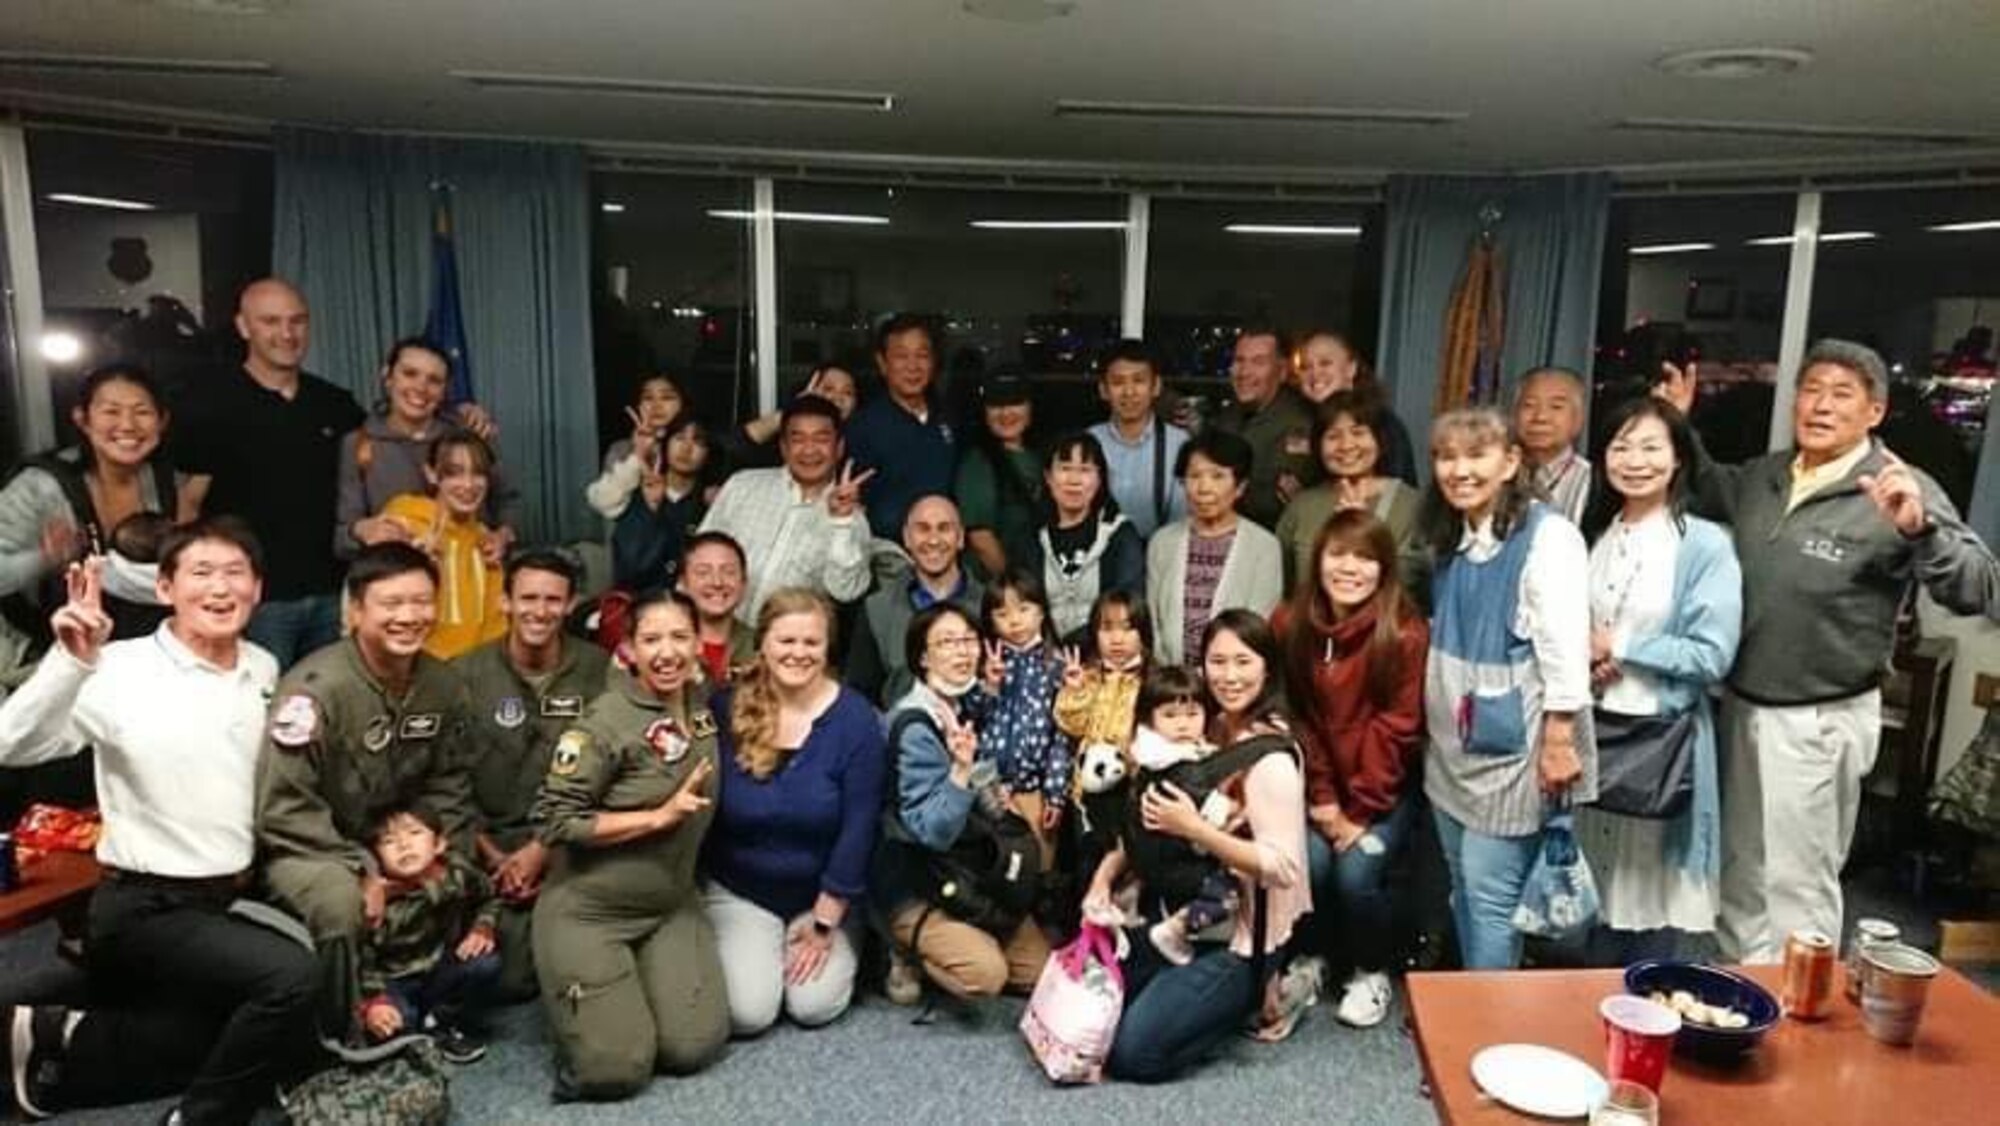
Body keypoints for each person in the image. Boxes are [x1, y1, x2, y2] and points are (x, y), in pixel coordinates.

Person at [1656, 339, 2000, 961]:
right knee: (1739, 866)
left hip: (1818, 716)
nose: (1820, 405)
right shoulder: (1768, 475)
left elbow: (1978, 586)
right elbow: (1708, 487)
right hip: (1741, 703)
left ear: (1875, 411)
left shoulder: (1898, 485)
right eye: (1810, 390)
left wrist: (1920, 531)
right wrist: (1678, 427)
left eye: (1842, 394)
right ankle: (1743, 996)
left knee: (1797, 883)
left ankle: (1797, 1023)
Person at [0, 519, 318, 1126]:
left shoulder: (262, 666)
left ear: (257, 588)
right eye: (201, 573)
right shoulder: (118, 668)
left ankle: (58, 1040)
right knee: (290, 981)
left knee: (258, 1035)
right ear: (165, 588)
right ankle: (199, 1117)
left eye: (235, 573)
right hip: (144, 908)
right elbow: (11, 744)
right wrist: (70, 663)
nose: (220, 588)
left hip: (229, 900)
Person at [254, 542, 477, 1026]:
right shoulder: (314, 691)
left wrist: (445, 856)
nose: (409, 616)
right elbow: (283, 809)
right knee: (340, 906)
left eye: (421, 602)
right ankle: (345, 1031)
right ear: (355, 611)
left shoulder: (443, 686)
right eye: (391, 604)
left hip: (402, 836)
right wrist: (364, 867)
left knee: (466, 881)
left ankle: (431, 1002)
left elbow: (450, 784)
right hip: (315, 847)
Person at [1089, 610, 1309, 1081]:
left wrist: (1197, 829)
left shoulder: (1271, 758)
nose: (1229, 676)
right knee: (1099, 1014)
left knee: (1134, 1055)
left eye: (1244, 662)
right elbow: (1154, 820)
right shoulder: (1200, 728)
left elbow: (1282, 868)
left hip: (1240, 935)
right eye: (1218, 661)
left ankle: (1255, 996)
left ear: (1267, 667)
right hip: (1179, 910)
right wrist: (1103, 878)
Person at [530, 589, 728, 1099]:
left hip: (669, 904)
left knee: (692, 1047)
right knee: (617, 1071)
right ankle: (587, 1014)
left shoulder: (700, 707)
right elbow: (554, 821)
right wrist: (656, 817)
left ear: (698, 643)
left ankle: (632, 987)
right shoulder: (604, 722)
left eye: (680, 636)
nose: (667, 652)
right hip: (590, 911)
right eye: (652, 639)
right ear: (630, 650)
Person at [1420, 408, 1595, 970]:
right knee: (1460, 889)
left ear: (1511, 461)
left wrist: (1561, 740)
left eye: (1477, 455)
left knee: (1492, 898)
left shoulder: (1549, 536)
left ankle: (1488, 1031)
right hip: (1451, 747)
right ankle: (1474, 1011)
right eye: (1447, 456)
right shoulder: (1452, 536)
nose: (1460, 470)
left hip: (1518, 748)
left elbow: (1567, 646)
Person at [1573, 397, 1741, 962]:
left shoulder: (1704, 544)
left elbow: (1711, 655)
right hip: (1593, 729)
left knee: (1647, 898)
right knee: (1592, 887)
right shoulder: (1595, 531)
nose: (1634, 460)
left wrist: (1621, 646)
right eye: (1621, 446)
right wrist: (1589, 656)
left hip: (1656, 741)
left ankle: (1647, 1020)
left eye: (1651, 446)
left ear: (1678, 459)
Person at [703, 589, 886, 1035]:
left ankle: (848, 946)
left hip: (823, 896)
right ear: (762, 642)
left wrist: (826, 921)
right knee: (749, 1014)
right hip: (741, 890)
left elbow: (860, 827)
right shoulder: (724, 708)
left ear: (827, 648)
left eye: (811, 643)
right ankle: (759, 948)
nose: (798, 653)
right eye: (786, 641)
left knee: (812, 1006)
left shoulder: (855, 719)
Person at [1276, 509, 1428, 1029]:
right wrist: (1322, 799)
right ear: (1317, 558)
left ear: (1384, 567)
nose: (1350, 567)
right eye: (1338, 553)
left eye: (1365, 557)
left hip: (1382, 790)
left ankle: (1370, 970)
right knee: (1310, 866)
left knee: (1357, 871)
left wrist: (1358, 811)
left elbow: (1398, 729)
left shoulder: (1404, 631)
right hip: (1318, 786)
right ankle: (1311, 958)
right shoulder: (1291, 620)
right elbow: (1295, 717)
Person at [175, 278, 367, 668]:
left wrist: (461, 418)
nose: (287, 333)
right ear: (244, 327)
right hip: (252, 598)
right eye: (271, 321)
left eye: (297, 321)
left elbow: (385, 457)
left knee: (323, 708)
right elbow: (188, 505)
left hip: (332, 592)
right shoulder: (210, 404)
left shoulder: (335, 403)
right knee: (258, 710)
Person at [453, 548, 613, 1001]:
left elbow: (611, 772)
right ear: (505, 602)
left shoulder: (599, 671)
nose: (539, 611)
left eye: (552, 600)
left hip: (568, 841)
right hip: (485, 843)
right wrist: (492, 855)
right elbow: (446, 781)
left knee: (547, 968)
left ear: (569, 604)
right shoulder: (463, 675)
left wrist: (543, 848)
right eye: (527, 598)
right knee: (503, 978)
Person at [879, 603, 1051, 1005]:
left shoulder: (960, 704)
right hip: (920, 880)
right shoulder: (913, 725)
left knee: (1038, 972)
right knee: (987, 976)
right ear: (923, 657)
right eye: (947, 642)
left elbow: (982, 776)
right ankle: (903, 948)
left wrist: (994, 798)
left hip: (971, 871)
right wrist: (959, 774)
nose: (962, 651)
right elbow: (931, 832)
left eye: (968, 640)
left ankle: (968, 937)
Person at [0, 364, 178, 648]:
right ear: (82, 419)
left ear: (162, 421)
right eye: (111, 411)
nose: (128, 425)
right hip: (48, 648)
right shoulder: (40, 486)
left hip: (147, 650)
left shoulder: (175, 482)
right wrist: (43, 559)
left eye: (142, 412)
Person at [336, 337, 514, 563]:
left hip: (473, 574)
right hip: (402, 584)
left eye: (434, 380)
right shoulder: (359, 444)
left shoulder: (473, 433)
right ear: (388, 376)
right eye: (410, 374)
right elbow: (342, 537)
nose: (421, 388)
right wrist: (362, 531)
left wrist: (502, 537)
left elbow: (508, 503)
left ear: (446, 389)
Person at [697, 396, 873, 621]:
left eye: (821, 439)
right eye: (798, 439)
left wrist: (841, 523)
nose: (809, 450)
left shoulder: (851, 520)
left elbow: (846, 591)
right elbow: (697, 560)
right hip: (718, 635)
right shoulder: (742, 485)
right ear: (783, 447)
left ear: (839, 448)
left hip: (789, 650)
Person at [356, 806, 501, 1064]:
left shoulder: (455, 872)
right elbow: (360, 956)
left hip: (438, 966)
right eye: (388, 841)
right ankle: (415, 1030)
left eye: (414, 833)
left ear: (439, 844)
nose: (403, 845)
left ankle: (442, 1023)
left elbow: (488, 896)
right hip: (392, 979)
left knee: (484, 964)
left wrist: (483, 927)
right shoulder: (375, 900)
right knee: (397, 1027)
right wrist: (373, 1002)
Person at [1120, 670, 1241, 966]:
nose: (1184, 723)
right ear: (1150, 719)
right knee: (1235, 887)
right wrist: (1240, 808)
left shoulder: (1150, 754)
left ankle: (1130, 894)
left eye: (1192, 713)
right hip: (1174, 866)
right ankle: (1177, 929)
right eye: (1171, 715)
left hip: (1148, 855)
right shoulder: (1178, 766)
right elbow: (1216, 813)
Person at [1147, 430, 1284, 666]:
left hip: (1235, 680)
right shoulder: (1162, 542)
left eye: (1217, 476)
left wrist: (1218, 671)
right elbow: (1153, 620)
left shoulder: (1264, 546)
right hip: (1172, 680)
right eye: (1194, 476)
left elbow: (1258, 626)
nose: (1204, 488)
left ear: (1240, 487)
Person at [1274, 392, 1426, 595]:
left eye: (1358, 433)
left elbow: (1414, 586)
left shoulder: (1412, 505)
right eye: (1333, 436)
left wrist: (1364, 530)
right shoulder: (1302, 506)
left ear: (1379, 440)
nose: (1346, 445)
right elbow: (1282, 585)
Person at [376, 430, 508, 660]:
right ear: (431, 474)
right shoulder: (406, 521)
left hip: (476, 673)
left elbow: (495, 627)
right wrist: (412, 559)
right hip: (415, 670)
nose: (468, 485)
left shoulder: (486, 542)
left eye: (478, 473)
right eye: (454, 474)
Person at [845, 495, 983, 707]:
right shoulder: (878, 610)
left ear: (961, 538)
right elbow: (859, 698)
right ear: (906, 538)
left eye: (944, 528)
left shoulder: (991, 606)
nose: (933, 540)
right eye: (923, 529)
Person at [974, 568, 1074, 861]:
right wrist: (989, 685)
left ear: (1042, 613)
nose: (1014, 620)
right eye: (1002, 613)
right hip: (987, 788)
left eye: (1024, 609)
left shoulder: (1056, 666)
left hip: (1034, 789)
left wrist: (1055, 793)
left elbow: (1062, 736)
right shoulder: (985, 663)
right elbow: (972, 718)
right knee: (993, 868)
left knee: (1037, 867)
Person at [1053, 590, 1154, 879]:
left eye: (1127, 628)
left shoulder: (1153, 681)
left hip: (1132, 795)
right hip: (1085, 796)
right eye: (1107, 629)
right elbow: (1069, 723)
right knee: (1087, 868)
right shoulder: (1089, 676)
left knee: (1130, 872)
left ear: (1143, 632)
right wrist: (1075, 690)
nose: (1117, 639)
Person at [844, 315, 956, 537]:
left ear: (933, 362)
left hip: (944, 551)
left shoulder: (950, 418)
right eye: (901, 356)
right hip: (887, 556)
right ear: (882, 363)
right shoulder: (863, 427)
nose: (913, 366)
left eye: (922, 355)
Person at [1025, 433, 1145, 640]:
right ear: (1048, 477)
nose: (1074, 480)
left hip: (1105, 655)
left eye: (1085, 470)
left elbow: (1127, 606)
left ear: (1100, 479)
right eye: (1064, 469)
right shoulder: (1030, 537)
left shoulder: (1120, 534)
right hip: (1044, 658)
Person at [1206, 326, 1314, 528]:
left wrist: (1216, 487)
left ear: (1281, 371)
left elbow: (1274, 500)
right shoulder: (1229, 415)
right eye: (1239, 361)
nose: (1244, 372)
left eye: (1258, 362)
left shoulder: (1298, 423)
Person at [597, 414, 714, 593]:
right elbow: (629, 569)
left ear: (708, 454)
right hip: (642, 605)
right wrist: (651, 506)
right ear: (665, 445)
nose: (686, 448)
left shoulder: (712, 501)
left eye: (698, 442)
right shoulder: (635, 493)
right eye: (679, 438)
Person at [1088, 339, 1189, 540]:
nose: (1129, 392)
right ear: (1103, 390)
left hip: (1159, 555)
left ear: (1156, 386)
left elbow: (1182, 520)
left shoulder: (1179, 444)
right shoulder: (1087, 442)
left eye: (1139, 380)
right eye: (1118, 382)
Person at [1288, 330, 1417, 484]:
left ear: (1351, 369)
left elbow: (1393, 493)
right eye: (1305, 366)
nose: (1315, 373)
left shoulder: (1382, 421)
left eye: (1325, 363)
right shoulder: (1303, 422)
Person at [954, 372, 1043, 579]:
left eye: (1015, 403)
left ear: (1030, 407)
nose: (1006, 413)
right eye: (996, 405)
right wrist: (1014, 587)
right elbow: (981, 539)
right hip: (997, 591)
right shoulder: (977, 463)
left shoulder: (1042, 455)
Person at [584, 373, 688, 521]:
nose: (656, 405)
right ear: (638, 406)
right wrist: (638, 456)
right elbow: (603, 503)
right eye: (648, 398)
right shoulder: (622, 449)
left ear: (682, 403)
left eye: (667, 397)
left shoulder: (695, 447)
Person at [731, 364, 860, 469]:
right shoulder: (789, 440)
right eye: (828, 389)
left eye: (848, 392)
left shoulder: (860, 445)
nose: (838, 398)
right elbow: (738, 444)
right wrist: (796, 408)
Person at [1513, 367, 1591, 524]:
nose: (1540, 417)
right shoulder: (1495, 471)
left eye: (1556, 407)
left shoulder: (1590, 481)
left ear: (1578, 419)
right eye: (1529, 405)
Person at [678, 532, 756, 687]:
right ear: (683, 583)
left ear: (744, 583)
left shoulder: (762, 648)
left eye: (729, 572)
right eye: (703, 572)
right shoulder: (655, 642)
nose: (717, 582)